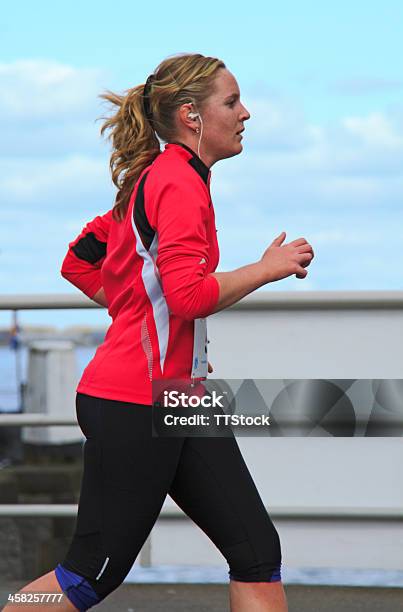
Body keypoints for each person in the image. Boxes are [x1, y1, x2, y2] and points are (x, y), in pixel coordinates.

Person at [5, 52, 314, 612]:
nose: (246, 113)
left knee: (255, 551)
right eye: (232, 101)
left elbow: (81, 261)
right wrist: (268, 267)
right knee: (87, 575)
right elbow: (187, 295)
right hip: (134, 402)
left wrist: (163, 334)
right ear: (192, 115)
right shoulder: (175, 183)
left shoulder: (160, 177)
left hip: (176, 397)